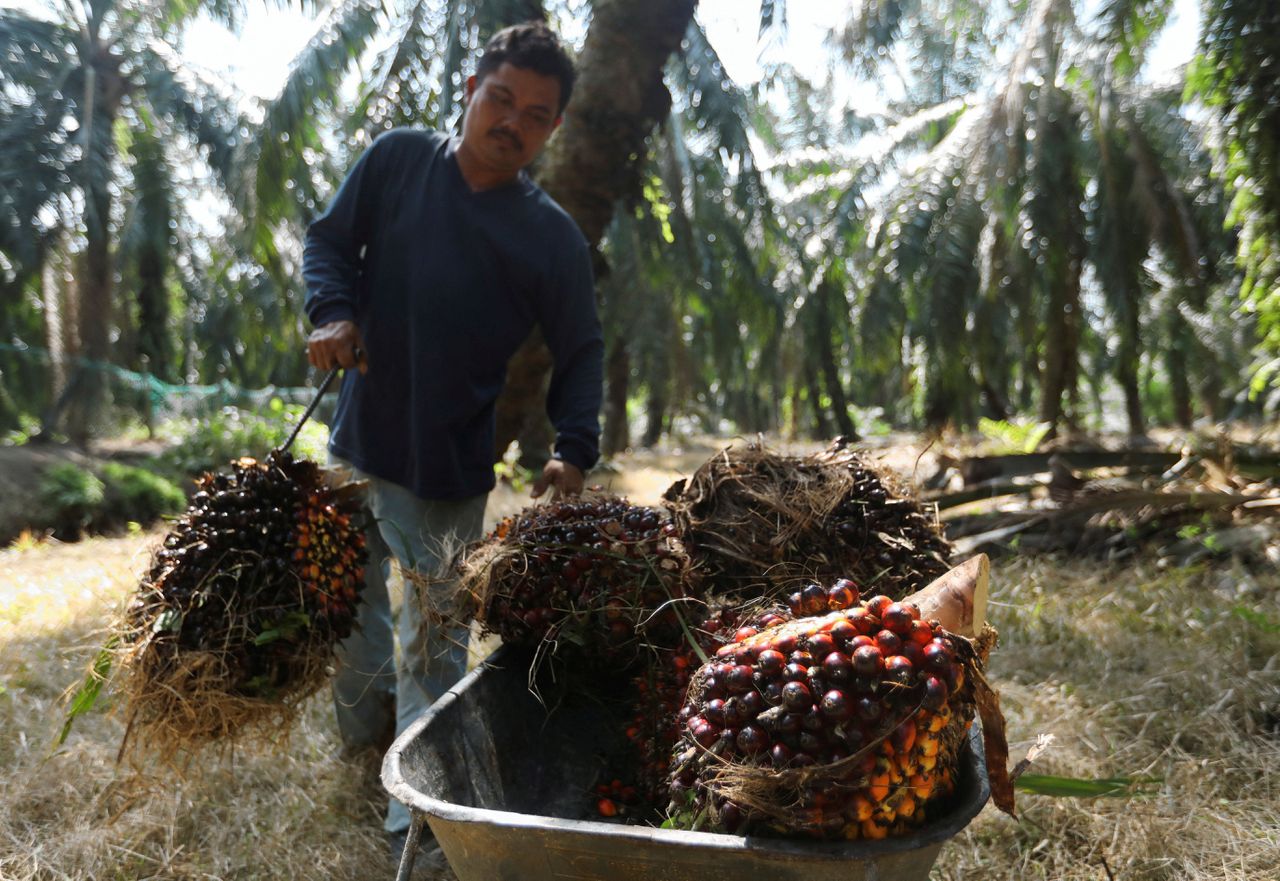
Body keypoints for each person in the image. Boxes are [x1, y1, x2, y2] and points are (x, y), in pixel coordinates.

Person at [300, 20, 603, 854]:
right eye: (500, 99)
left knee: (431, 648)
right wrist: (331, 311)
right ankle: (367, 749)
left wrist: (574, 446)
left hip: (452, 469)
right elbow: (327, 242)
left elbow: (580, 347)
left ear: (553, 129)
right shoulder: (397, 161)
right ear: (470, 91)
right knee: (346, 613)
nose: (511, 122)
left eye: (536, 114)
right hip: (356, 444)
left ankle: (416, 819)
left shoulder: (550, 238)